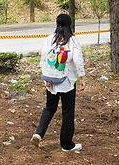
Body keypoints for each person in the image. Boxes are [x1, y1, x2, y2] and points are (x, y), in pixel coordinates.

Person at [32, 13, 86, 152]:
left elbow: (43, 57)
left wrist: (46, 77)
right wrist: (82, 77)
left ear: (57, 24)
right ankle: (66, 144)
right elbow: (77, 60)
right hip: (66, 81)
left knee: (49, 108)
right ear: (70, 25)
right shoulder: (72, 41)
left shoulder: (50, 39)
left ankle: (39, 133)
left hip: (51, 81)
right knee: (68, 111)